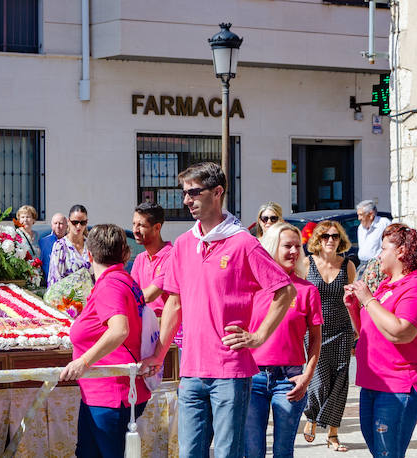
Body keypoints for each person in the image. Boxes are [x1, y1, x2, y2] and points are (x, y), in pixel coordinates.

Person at [143, 162, 296, 458]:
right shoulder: (185, 244)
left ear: (217, 192)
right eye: (184, 193)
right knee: (190, 453)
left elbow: (284, 290)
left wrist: (258, 337)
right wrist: (159, 355)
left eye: (194, 192)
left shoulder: (243, 243)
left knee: (228, 453)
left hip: (230, 371)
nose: (187, 200)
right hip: (191, 371)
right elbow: (174, 303)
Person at [342, 223, 417, 458]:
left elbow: (401, 332)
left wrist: (368, 300)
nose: (379, 255)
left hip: (399, 384)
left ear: (401, 251)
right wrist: (355, 306)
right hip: (373, 382)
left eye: (383, 249)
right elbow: (369, 331)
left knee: (387, 454)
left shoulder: (416, 285)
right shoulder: (385, 286)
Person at [57, 224, 151, 458]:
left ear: (89, 255)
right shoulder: (122, 280)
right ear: (126, 254)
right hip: (105, 391)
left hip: (109, 393)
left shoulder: (110, 284)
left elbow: (119, 330)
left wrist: (84, 361)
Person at [245, 223, 322, 458]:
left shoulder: (307, 291)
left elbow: (316, 340)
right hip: (252, 377)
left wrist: (307, 377)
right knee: (253, 450)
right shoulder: (251, 288)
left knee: (283, 451)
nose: (294, 251)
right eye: (288, 245)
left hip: (289, 380)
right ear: (271, 248)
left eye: (298, 246)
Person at [293, 220, 358, 451]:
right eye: (325, 236)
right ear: (317, 240)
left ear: (341, 240)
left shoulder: (348, 265)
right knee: (319, 379)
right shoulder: (306, 263)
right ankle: (311, 415)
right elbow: (297, 294)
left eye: (335, 236)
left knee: (340, 381)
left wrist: (357, 329)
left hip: (341, 330)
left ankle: (333, 433)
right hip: (314, 330)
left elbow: (354, 300)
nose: (330, 240)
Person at [130, 203, 174, 315]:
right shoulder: (140, 259)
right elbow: (131, 292)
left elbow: (149, 296)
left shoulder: (172, 256)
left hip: (164, 324)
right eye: (134, 224)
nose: (135, 230)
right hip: (143, 321)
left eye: (141, 225)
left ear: (157, 228)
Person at [49, 205, 91, 287]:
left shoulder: (91, 245)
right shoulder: (60, 246)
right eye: (75, 222)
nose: (78, 226)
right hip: (67, 298)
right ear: (68, 221)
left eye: (82, 223)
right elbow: (54, 279)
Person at [355, 200, 391, 273]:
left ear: (371, 214)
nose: (359, 218)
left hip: (378, 266)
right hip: (362, 265)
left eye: (361, 215)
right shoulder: (361, 228)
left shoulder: (383, 223)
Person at [39, 213, 68, 285]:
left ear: (67, 226)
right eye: (55, 223)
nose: (58, 226)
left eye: (61, 223)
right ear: (52, 225)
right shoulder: (43, 242)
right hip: (49, 285)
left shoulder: (70, 242)